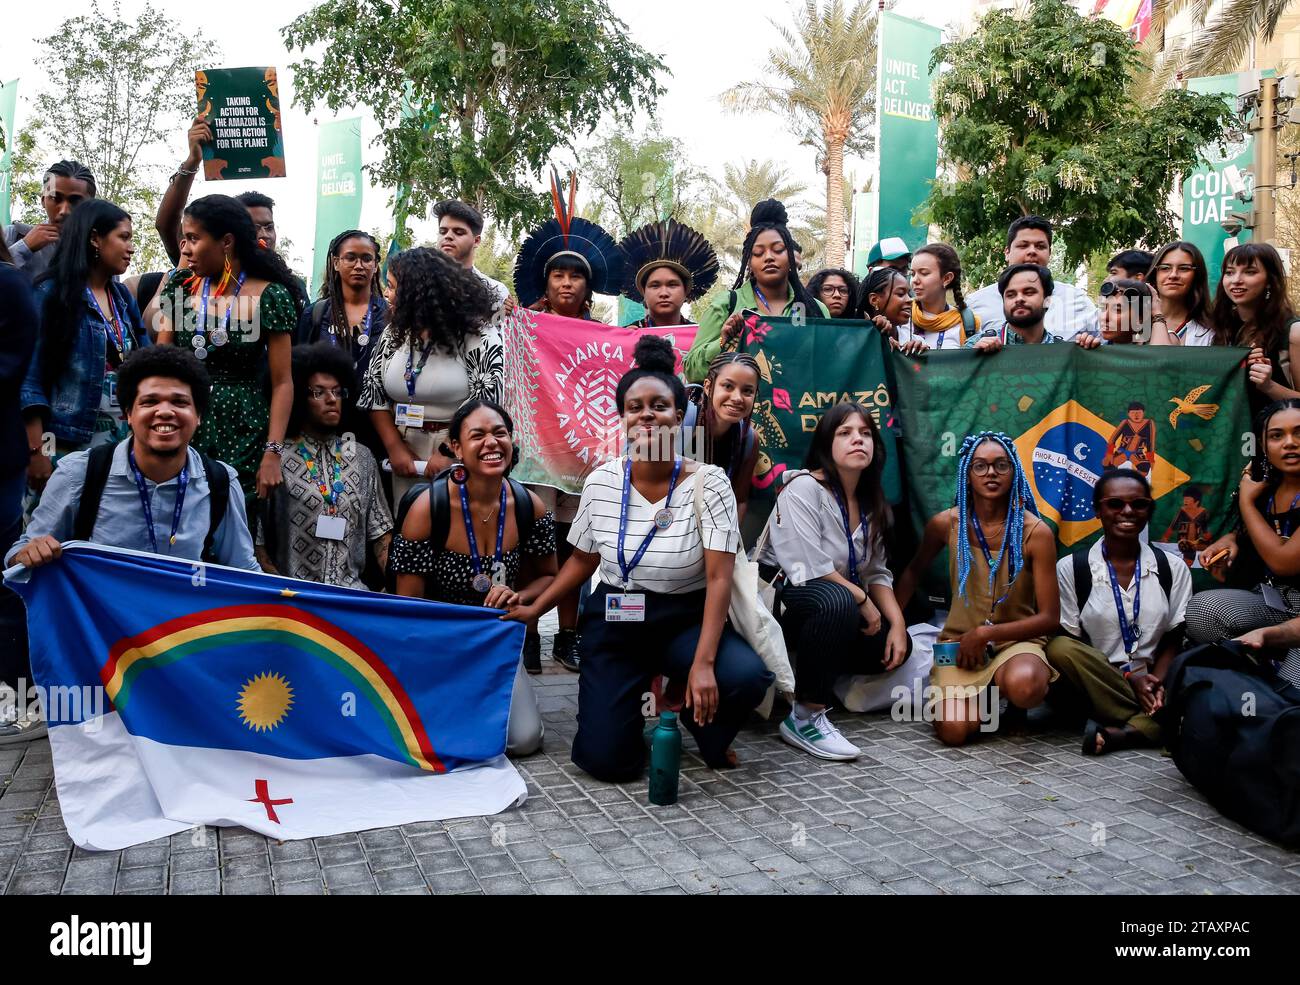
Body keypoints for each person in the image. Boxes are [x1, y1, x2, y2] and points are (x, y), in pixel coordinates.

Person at [503, 335, 772, 780]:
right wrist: (535, 607)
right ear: (622, 416)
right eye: (635, 406)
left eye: (659, 405)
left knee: (744, 677)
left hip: (685, 617)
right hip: (615, 618)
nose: (647, 414)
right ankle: (628, 723)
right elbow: (581, 562)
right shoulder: (602, 481)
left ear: (679, 413)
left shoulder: (711, 482)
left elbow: (720, 579)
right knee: (607, 762)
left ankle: (700, 723)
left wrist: (703, 665)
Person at [390, 400, 557, 754]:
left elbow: (547, 577)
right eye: (477, 435)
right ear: (456, 447)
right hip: (437, 644)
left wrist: (520, 597)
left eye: (500, 433)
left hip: (496, 641)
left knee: (523, 739)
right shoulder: (427, 510)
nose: (491, 443)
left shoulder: (530, 506)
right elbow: (408, 604)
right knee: (429, 740)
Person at [8, 345, 259, 572]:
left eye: (179, 402)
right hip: (98, 622)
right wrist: (26, 554)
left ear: (198, 416)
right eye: (150, 402)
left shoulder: (220, 482)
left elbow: (243, 568)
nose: (164, 412)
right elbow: (20, 554)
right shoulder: (79, 475)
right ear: (129, 413)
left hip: (182, 623)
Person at [512, 176, 625, 668]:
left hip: (585, 454)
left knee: (576, 544)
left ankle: (569, 636)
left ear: (587, 286)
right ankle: (530, 634)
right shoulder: (521, 323)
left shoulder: (607, 335)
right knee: (534, 543)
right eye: (557, 275)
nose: (564, 283)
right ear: (546, 281)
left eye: (574, 276)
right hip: (537, 449)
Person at [759, 403, 910, 760]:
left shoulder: (871, 503)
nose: (858, 439)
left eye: (865, 433)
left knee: (892, 644)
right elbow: (807, 566)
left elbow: (877, 572)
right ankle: (804, 716)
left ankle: (818, 675)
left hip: (833, 609)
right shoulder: (803, 488)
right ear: (827, 445)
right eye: (845, 433)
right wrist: (862, 600)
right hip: (787, 605)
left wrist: (899, 624)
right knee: (837, 600)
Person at [895, 432, 1060, 746]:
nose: (991, 474)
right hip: (957, 645)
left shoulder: (1036, 532)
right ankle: (979, 700)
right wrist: (893, 626)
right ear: (966, 476)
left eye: (1001, 465)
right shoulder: (946, 524)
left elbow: (1051, 618)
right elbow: (913, 571)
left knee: (1025, 685)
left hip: (1016, 643)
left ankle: (1012, 701)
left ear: (1015, 473)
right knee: (954, 732)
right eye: (980, 467)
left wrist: (985, 634)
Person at [154, 194, 302, 511]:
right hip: (183, 418)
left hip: (244, 428)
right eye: (184, 239)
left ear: (226, 242)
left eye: (193, 238)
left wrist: (273, 452)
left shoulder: (270, 296)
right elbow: (159, 363)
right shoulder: (180, 286)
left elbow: (282, 383)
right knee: (176, 516)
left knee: (235, 518)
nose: (185, 248)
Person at [1047, 469, 1191, 755]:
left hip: (1154, 679)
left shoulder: (1172, 568)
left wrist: (1154, 684)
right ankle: (1156, 723)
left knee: (1194, 669)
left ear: (1149, 510)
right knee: (1060, 648)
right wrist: (1128, 679)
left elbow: (1174, 638)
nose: (1128, 511)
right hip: (1098, 682)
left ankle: (1121, 733)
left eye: (1139, 504)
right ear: (1097, 510)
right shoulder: (1072, 569)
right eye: (1115, 504)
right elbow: (1075, 644)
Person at [22, 200, 148, 495]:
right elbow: (29, 377)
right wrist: (37, 451)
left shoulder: (121, 297)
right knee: (56, 536)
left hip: (121, 445)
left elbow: (147, 360)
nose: (130, 248)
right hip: (62, 444)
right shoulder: (50, 294)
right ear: (94, 238)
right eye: (124, 237)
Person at [358, 247, 501, 504]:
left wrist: (449, 449)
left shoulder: (477, 333)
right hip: (404, 446)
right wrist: (395, 447)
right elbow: (373, 392)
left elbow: (488, 398)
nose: (387, 294)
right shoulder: (394, 333)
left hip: (463, 447)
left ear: (417, 292)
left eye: (392, 286)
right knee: (410, 529)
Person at [256, 343, 393, 589]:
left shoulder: (361, 456)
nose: (332, 400)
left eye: (338, 392)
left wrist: (395, 588)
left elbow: (381, 533)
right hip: (293, 597)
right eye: (318, 392)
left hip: (350, 596)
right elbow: (259, 543)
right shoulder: (277, 459)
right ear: (298, 398)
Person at [1191, 398, 1300, 687]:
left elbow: (1284, 562)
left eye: (1299, 433)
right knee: (1204, 611)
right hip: (1279, 600)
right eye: (1277, 435)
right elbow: (1265, 530)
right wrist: (1233, 538)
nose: (1290, 443)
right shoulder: (1267, 484)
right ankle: (1265, 662)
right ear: (1263, 446)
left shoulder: (1251, 493)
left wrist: (1246, 501)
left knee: (1289, 697)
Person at [684, 199, 828, 382]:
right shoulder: (727, 305)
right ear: (749, 263)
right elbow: (691, 370)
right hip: (741, 408)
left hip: (802, 408)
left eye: (778, 250)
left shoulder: (816, 310)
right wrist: (722, 341)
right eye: (758, 253)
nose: (768, 257)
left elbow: (833, 365)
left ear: (790, 257)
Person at [296, 230, 388, 476]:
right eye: (350, 258)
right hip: (325, 423)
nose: (359, 265)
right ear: (336, 263)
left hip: (378, 427)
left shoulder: (391, 315)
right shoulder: (316, 313)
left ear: (376, 265)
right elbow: (298, 371)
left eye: (367, 258)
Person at [0, 250, 38, 720]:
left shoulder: (9, 285)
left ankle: (19, 699)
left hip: (1, 457)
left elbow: (17, 366)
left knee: (6, 582)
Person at [965, 216, 1099, 340]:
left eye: (1040, 246)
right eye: (1023, 245)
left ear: (1049, 253)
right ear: (1007, 252)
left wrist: (1090, 344)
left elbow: (1107, 345)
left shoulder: (1077, 300)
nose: (1032, 251)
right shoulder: (976, 304)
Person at [1210, 242, 1300, 418]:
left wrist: (1269, 386)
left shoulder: (1293, 331)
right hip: (1229, 439)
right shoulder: (1218, 327)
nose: (1236, 280)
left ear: (1270, 281)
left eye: (1250, 272)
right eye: (1229, 272)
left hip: (1274, 440)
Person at [683, 351, 761, 522]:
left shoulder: (748, 439)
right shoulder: (682, 423)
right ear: (708, 386)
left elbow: (739, 500)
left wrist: (728, 543)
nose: (737, 398)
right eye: (728, 386)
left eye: (747, 391)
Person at [617, 218, 719, 328]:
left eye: (672, 285)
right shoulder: (623, 337)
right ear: (643, 292)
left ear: (686, 291)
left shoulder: (702, 338)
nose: (664, 293)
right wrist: (625, 340)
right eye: (655, 286)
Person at [3, 160, 96, 279]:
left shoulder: (99, 251)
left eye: (75, 201)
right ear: (43, 200)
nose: (64, 210)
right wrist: (24, 247)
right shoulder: (13, 235)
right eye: (56, 198)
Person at [434, 199, 512, 318]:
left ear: (476, 241)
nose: (448, 236)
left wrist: (503, 315)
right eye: (442, 231)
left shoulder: (496, 291)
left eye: (458, 232)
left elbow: (499, 330)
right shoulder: (418, 283)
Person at [966, 263, 1065, 352]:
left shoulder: (1066, 354)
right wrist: (972, 361)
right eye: (1011, 295)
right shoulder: (974, 346)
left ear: (1048, 301)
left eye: (1029, 292)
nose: (1019, 299)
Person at [905, 243, 978, 350]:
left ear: (947, 278)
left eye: (924, 273)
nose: (915, 280)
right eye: (912, 274)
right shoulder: (902, 316)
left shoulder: (967, 323)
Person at [1146, 241, 1214, 346]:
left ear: (1197, 276)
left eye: (1184, 269)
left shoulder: (1211, 330)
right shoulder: (1134, 320)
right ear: (1155, 273)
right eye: (1165, 268)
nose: (1173, 275)